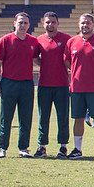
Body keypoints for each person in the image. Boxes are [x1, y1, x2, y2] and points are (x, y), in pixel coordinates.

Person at [64, 13, 94, 160]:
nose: (85, 25)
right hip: (77, 87)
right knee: (78, 118)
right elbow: (67, 62)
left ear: (93, 24)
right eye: (82, 23)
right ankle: (78, 149)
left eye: (88, 23)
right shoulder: (71, 42)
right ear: (79, 24)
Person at [0, 12, 41, 158]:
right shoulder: (5, 40)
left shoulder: (33, 41)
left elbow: (37, 60)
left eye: (25, 23)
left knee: (26, 118)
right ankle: (2, 147)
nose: (23, 25)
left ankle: (23, 147)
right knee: (6, 118)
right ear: (15, 23)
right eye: (20, 22)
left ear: (29, 25)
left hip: (26, 83)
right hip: (8, 82)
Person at [34, 12, 71, 158]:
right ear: (43, 23)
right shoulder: (39, 40)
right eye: (48, 22)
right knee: (44, 116)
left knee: (63, 116)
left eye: (53, 22)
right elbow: (35, 58)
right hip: (44, 84)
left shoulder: (66, 39)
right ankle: (42, 145)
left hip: (61, 84)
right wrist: (45, 65)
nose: (50, 25)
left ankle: (63, 146)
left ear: (58, 23)